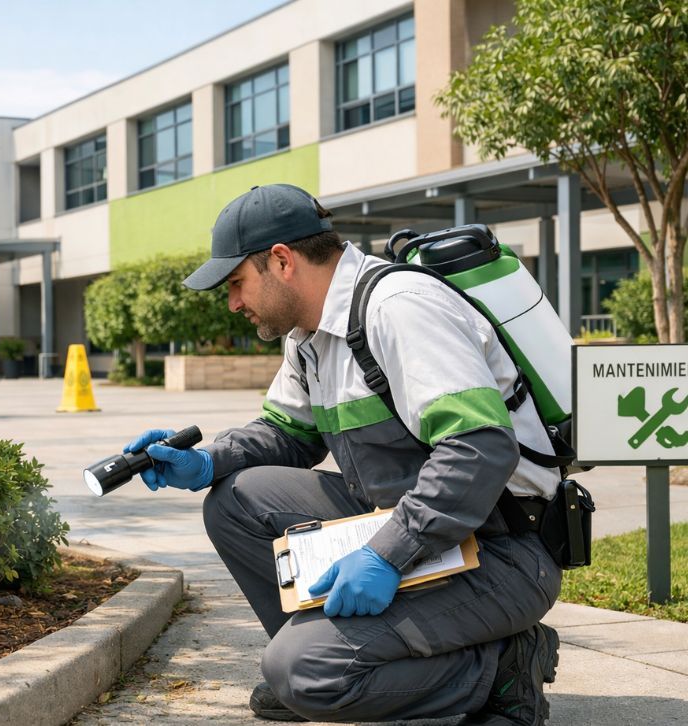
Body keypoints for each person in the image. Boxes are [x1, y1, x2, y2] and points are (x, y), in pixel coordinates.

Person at [125, 183, 562, 725]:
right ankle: (339, 661)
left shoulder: (399, 309)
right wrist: (209, 461)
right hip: (420, 534)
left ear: (281, 261)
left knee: (304, 673)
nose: (234, 302)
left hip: (502, 552)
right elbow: (288, 434)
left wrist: (386, 554)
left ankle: (502, 667)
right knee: (235, 500)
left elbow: (478, 448)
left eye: (237, 283)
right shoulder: (310, 334)